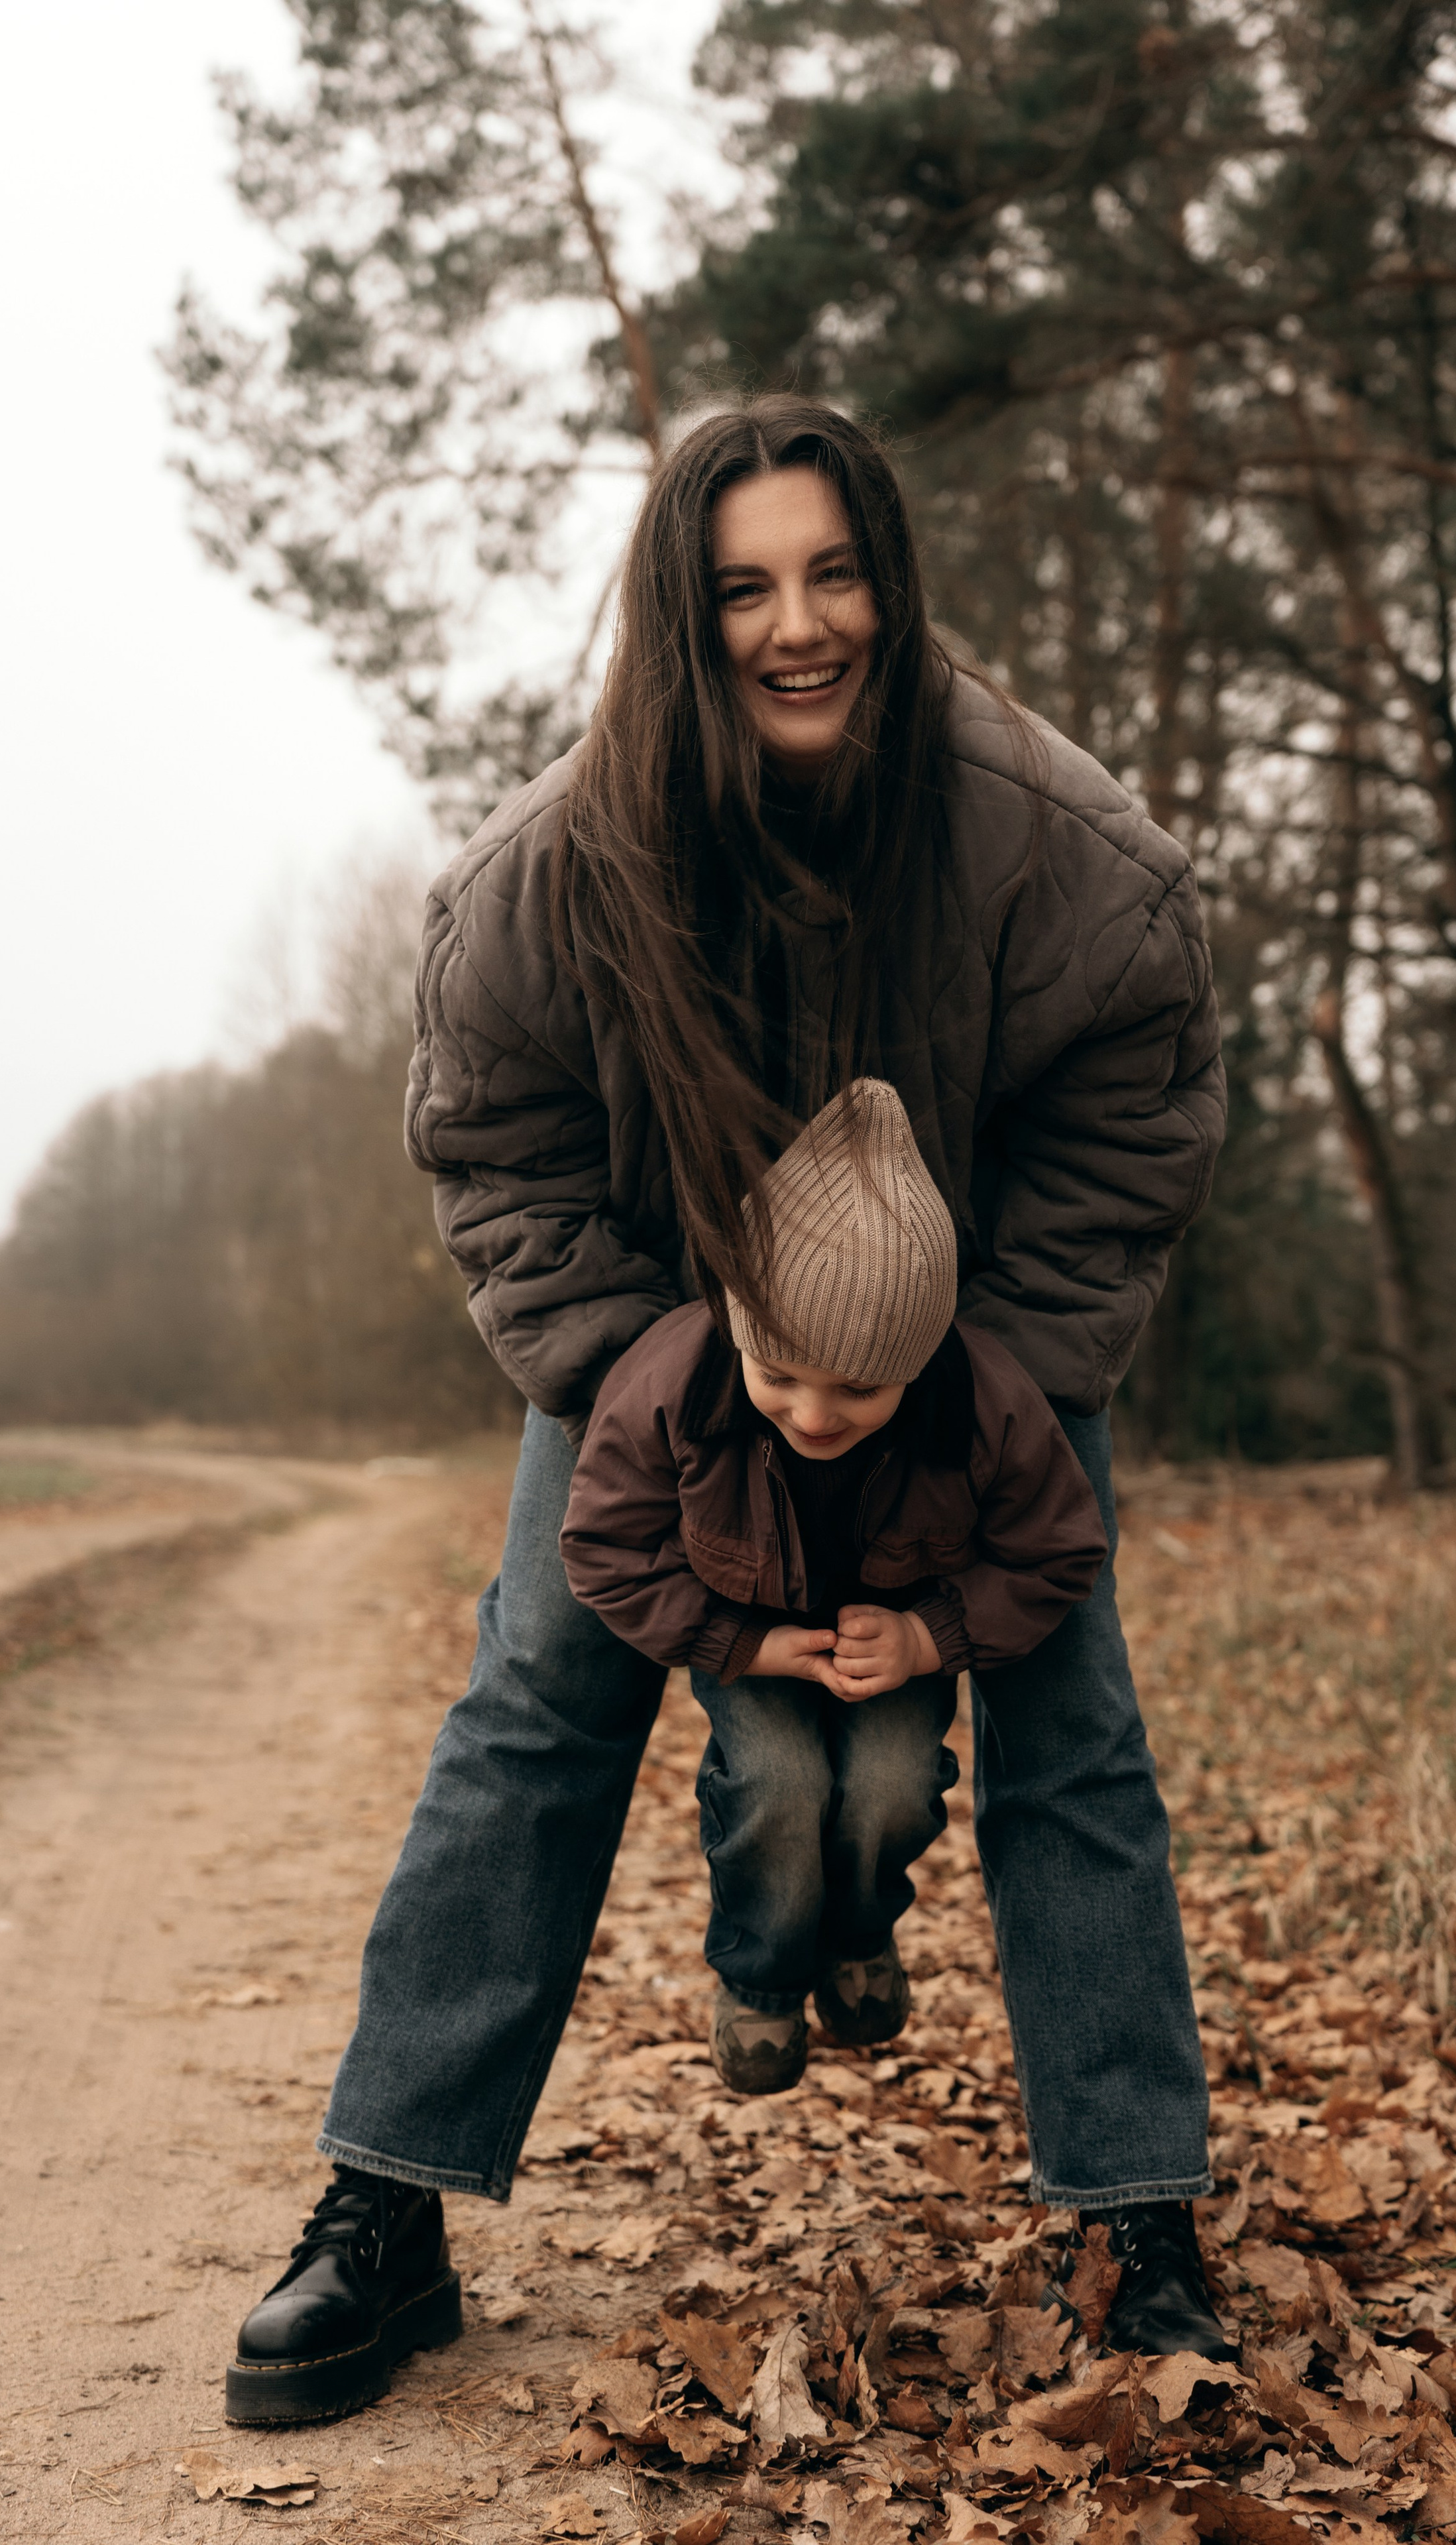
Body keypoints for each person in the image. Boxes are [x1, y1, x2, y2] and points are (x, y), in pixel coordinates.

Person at [225, 392, 1233, 2431]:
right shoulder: (556, 866)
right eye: (746, 587)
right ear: (680, 619)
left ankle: (1139, 2220)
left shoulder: (1054, 838)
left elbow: (1137, 1109)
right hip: (658, 1365)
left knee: (1076, 1731)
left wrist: (976, 1386)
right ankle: (386, 2204)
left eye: (835, 571)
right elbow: (492, 1144)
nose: (800, 625)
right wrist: (659, 1393)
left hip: (969, 1357)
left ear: (892, 582)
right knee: (536, 1699)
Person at [559, 1078, 1109, 2096]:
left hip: (897, 1637)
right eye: (782, 1375)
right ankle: (762, 1976)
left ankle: (860, 1934)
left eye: (858, 1388)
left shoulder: (984, 1403)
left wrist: (930, 1638)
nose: (813, 1416)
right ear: (740, 1327)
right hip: (750, 1638)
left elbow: (1058, 1549)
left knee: (893, 1789)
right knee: (777, 1786)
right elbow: (604, 1546)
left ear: (920, 1358)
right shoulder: (675, 1381)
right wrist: (738, 1645)